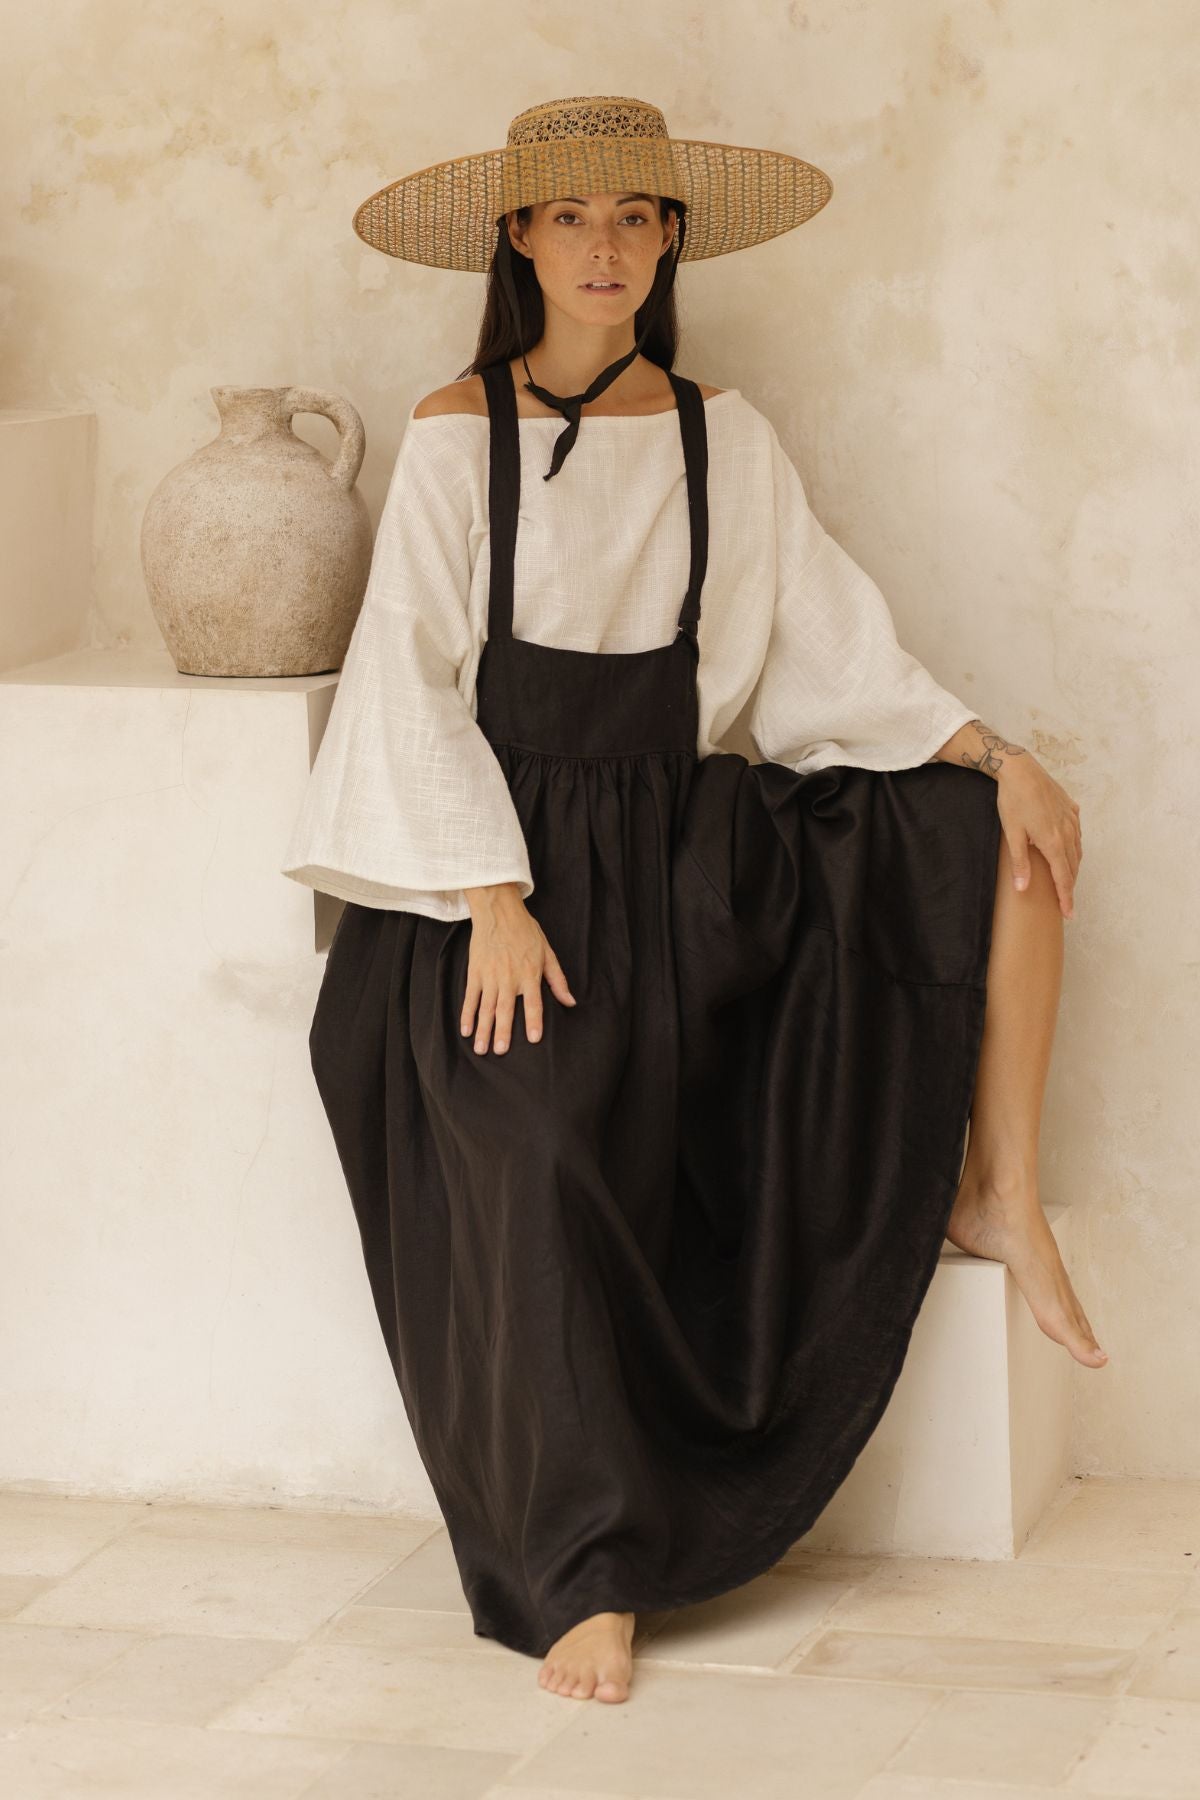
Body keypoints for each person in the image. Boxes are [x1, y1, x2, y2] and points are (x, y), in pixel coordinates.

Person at [281, 95, 1101, 1707]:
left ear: (669, 241)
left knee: (989, 830)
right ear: (517, 238)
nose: (605, 243)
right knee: (533, 1148)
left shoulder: (727, 433)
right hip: (490, 878)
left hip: (680, 858)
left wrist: (992, 749)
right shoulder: (461, 431)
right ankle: (579, 1568)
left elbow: (825, 647)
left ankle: (997, 1187)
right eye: (570, 214)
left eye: (635, 215)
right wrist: (490, 896)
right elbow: (409, 683)